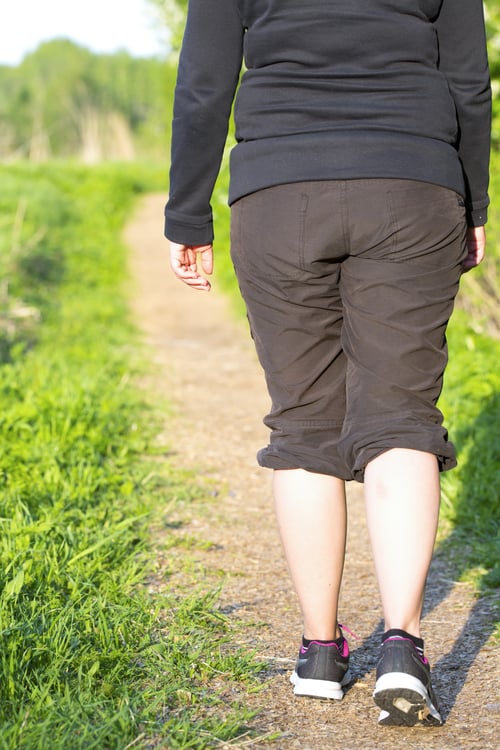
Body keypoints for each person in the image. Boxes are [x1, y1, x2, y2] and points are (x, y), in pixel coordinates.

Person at [164, 0, 491, 727]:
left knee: (305, 420)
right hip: (413, 183)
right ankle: (402, 647)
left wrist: (187, 213)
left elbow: (204, 82)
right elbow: (469, 80)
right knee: (402, 416)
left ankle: (320, 652)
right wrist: (473, 203)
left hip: (278, 191)